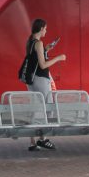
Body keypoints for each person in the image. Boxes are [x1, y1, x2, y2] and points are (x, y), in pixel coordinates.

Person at [23, 18, 66, 151]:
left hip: (31, 79)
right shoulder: (38, 43)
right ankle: (42, 139)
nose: (46, 31)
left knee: (36, 108)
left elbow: (35, 60)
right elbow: (43, 65)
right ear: (41, 29)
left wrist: (46, 50)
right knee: (47, 107)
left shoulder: (30, 41)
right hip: (41, 79)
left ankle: (33, 141)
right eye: (45, 28)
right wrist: (58, 58)